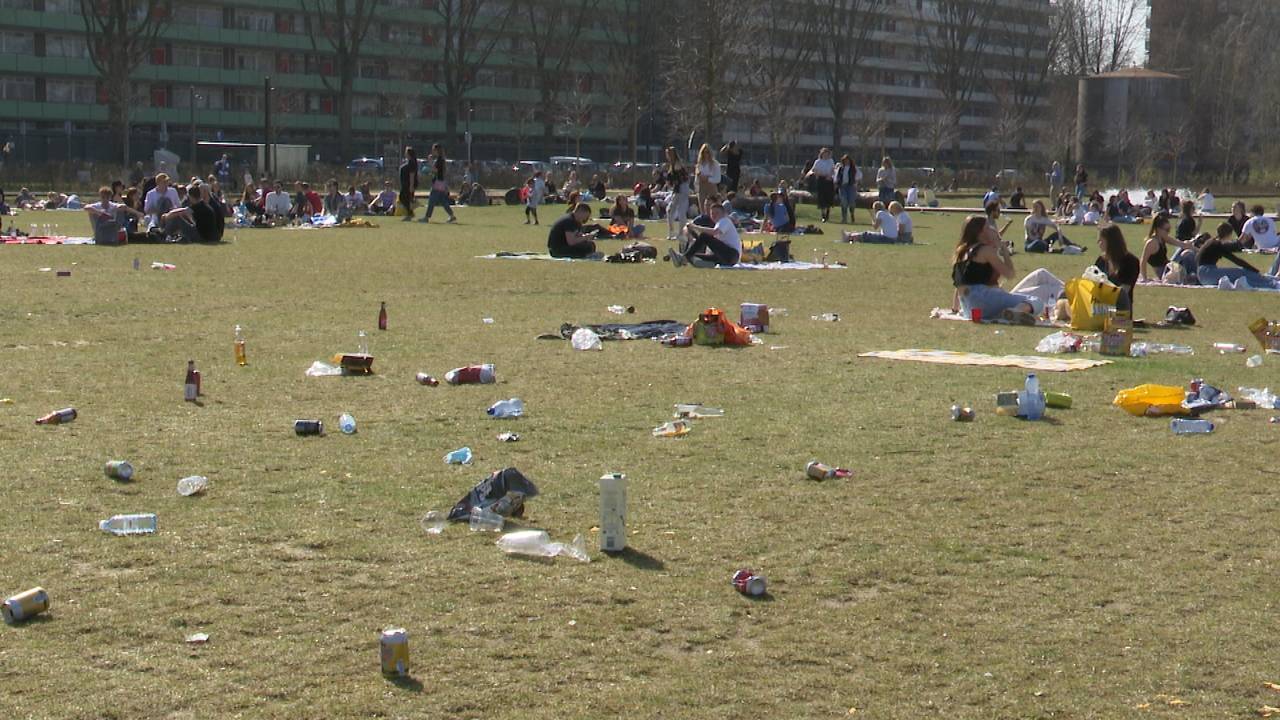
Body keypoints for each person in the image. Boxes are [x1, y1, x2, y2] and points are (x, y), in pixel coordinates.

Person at [951, 215, 1035, 321]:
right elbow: (1010, 274)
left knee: (1006, 300)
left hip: (968, 307)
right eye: (988, 227)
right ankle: (1015, 312)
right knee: (1035, 301)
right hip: (982, 298)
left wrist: (955, 308)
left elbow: (961, 282)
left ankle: (1008, 313)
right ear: (982, 232)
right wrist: (1004, 250)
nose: (992, 229)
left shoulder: (961, 251)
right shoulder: (985, 250)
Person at [1194, 221, 1279, 288]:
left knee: (1238, 275)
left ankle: (1268, 280)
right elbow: (1236, 260)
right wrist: (1255, 270)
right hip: (1209, 274)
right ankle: (1270, 283)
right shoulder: (1217, 245)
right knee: (1241, 272)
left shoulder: (1211, 242)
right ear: (1228, 234)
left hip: (1202, 275)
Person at [670, 203, 740, 267]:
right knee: (693, 255)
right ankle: (685, 259)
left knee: (704, 236)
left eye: (717, 213)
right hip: (725, 257)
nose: (714, 215)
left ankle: (684, 258)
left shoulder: (725, 220)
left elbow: (715, 232)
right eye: (712, 213)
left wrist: (695, 227)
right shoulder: (719, 223)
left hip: (731, 255)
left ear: (723, 213)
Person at [1093, 224, 1140, 311]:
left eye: (1101, 240)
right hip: (1098, 304)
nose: (1098, 242)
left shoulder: (1131, 261)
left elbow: (1123, 292)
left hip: (1119, 309)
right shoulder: (1101, 260)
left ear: (1111, 241)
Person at [1140, 213, 1197, 281]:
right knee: (1187, 253)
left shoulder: (1163, 238)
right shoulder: (1152, 242)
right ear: (1158, 229)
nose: (1168, 232)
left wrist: (1200, 250)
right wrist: (1144, 278)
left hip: (1169, 266)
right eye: (1166, 230)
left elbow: (1181, 244)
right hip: (1165, 273)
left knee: (1187, 250)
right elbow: (1143, 261)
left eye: (1169, 229)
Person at [663, 147, 691, 241]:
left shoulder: (677, 164)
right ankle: (672, 232)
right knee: (670, 210)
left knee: (682, 212)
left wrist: (670, 181)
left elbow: (680, 178)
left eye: (669, 154)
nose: (668, 156)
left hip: (682, 188)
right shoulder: (672, 165)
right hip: (677, 189)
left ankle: (681, 233)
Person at [398, 146, 418, 220]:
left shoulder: (412, 163)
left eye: (406, 152)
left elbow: (412, 175)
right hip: (405, 184)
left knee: (403, 198)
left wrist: (411, 186)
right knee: (405, 198)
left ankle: (410, 213)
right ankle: (410, 213)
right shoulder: (409, 162)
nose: (405, 153)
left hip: (408, 184)